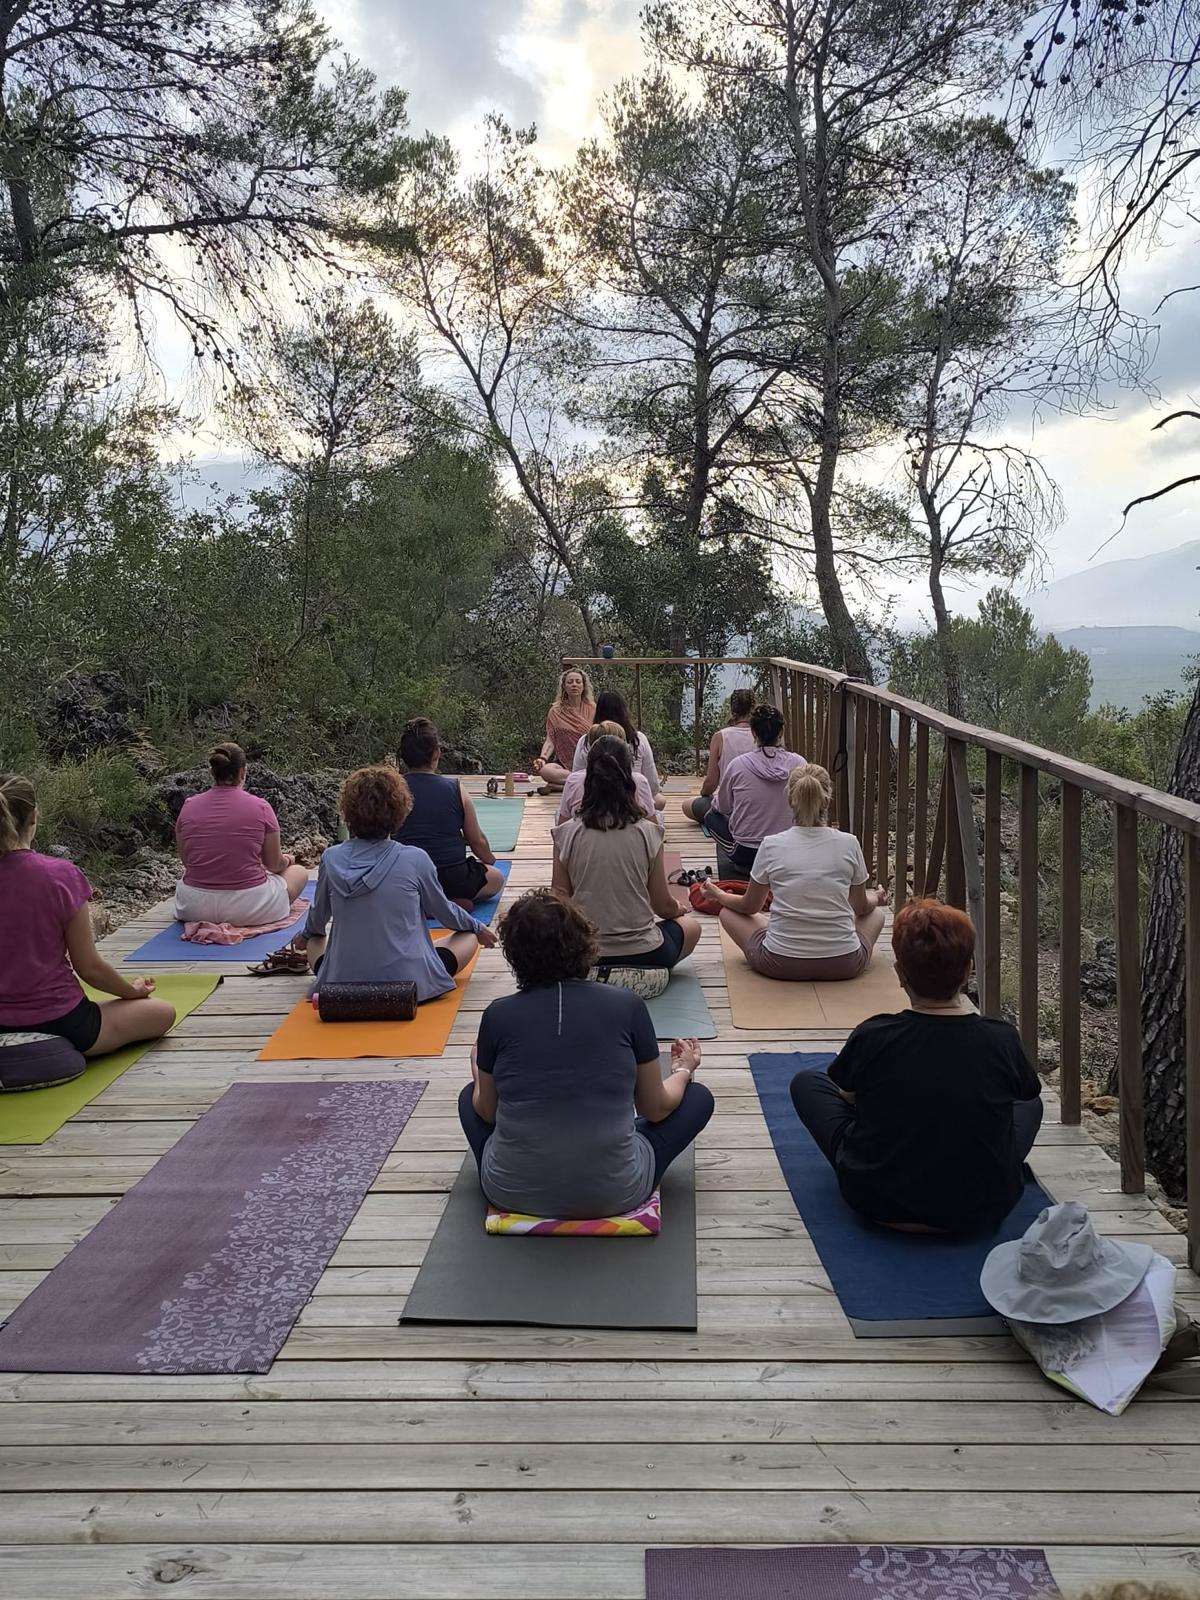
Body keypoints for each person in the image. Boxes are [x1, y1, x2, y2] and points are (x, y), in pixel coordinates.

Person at [789, 898, 1043, 1235]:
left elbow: (847, 1098)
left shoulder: (875, 1034)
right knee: (1030, 1101)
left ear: (899, 973)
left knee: (808, 1082)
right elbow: (1023, 1094)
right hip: (984, 1208)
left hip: (878, 1201)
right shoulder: (1002, 1039)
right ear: (967, 970)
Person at [458, 888, 715, 1218]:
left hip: (511, 1191)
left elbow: (487, 1111)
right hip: (616, 1192)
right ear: (586, 943)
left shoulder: (498, 1014)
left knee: (469, 1097)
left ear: (514, 954)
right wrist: (683, 1070)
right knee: (698, 1099)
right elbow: (656, 1108)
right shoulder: (628, 1006)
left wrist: (477, 1070)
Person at [0, 774, 176, 1057]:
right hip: (62, 1020)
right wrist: (132, 992)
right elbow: (89, 967)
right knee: (162, 1012)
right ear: (33, 816)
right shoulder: (60, 875)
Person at [293, 766, 497, 999]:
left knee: (315, 938)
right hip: (408, 987)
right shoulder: (415, 858)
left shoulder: (331, 858)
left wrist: (305, 936)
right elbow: (445, 912)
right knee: (468, 934)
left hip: (342, 987)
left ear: (347, 813)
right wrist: (478, 927)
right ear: (400, 812)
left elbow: (317, 921)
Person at [704, 764, 887, 981]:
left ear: (791, 800)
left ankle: (785, 936)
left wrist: (718, 895)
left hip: (779, 963)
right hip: (844, 964)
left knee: (728, 912)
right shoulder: (849, 843)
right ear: (827, 799)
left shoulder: (771, 844)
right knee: (876, 913)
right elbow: (860, 907)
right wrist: (877, 896)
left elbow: (749, 906)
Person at [552, 736, 701, 969]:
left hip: (583, 955)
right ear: (629, 777)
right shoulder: (649, 833)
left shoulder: (565, 833)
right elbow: (662, 906)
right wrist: (678, 909)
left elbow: (559, 898)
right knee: (692, 927)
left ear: (588, 777)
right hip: (645, 952)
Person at [173, 743, 309, 928]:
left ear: (212, 772)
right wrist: (288, 860)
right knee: (298, 873)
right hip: (249, 908)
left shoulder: (188, 806)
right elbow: (273, 864)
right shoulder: (261, 807)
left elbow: (188, 862)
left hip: (193, 906)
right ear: (243, 772)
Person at [393, 717, 504, 907]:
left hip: (406, 880)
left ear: (403, 757)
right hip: (452, 880)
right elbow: (476, 839)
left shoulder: (392, 790)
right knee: (496, 878)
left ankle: (423, 902)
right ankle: (444, 902)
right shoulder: (455, 788)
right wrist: (490, 859)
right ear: (436, 753)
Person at [701, 703, 805, 874]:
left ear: (753, 733)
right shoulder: (799, 764)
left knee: (711, 817)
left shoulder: (738, 765)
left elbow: (723, 807)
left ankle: (746, 868)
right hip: (787, 850)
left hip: (746, 853)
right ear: (781, 732)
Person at [569, 689, 663, 807]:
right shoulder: (638, 739)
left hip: (594, 801)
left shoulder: (585, 740)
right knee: (659, 800)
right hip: (630, 801)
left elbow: (577, 775)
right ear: (624, 711)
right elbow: (652, 784)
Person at [556, 721, 660, 826]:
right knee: (659, 815)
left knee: (559, 814)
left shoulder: (574, 780)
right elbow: (653, 826)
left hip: (585, 838)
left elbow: (562, 826)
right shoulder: (639, 781)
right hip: (630, 838)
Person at [682, 688, 757, 824]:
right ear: (753, 708)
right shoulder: (761, 735)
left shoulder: (720, 736)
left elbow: (711, 782)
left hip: (730, 807)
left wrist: (705, 794)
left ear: (732, 709)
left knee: (687, 805)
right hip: (757, 805)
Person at [533, 667, 596, 791]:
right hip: (563, 763)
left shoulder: (593, 708)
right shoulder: (556, 711)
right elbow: (550, 739)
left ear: (584, 686)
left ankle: (561, 786)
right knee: (546, 771)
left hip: (587, 761)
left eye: (578, 682)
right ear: (564, 687)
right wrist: (542, 758)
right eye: (570, 682)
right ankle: (583, 782)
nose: (574, 685)